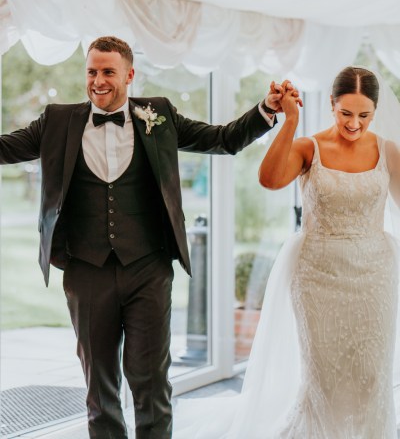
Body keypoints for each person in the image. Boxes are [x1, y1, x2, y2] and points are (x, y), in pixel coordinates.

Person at [0, 35, 297, 439]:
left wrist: (266, 110)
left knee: (151, 382)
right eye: (91, 71)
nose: (98, 81)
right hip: (86, 272)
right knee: (99, 388)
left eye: (108, 72)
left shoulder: (158, 115)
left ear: (129, 74)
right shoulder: (57, 120)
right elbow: (5, 148)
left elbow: (223, 140)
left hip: (148, 269)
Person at [173, 66, 400, 439]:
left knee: (372, 374)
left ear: (375, 112)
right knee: (324, 376)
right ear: (331, 105)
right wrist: (290, 121)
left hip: (375, 277)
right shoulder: (310, 147)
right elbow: (269, 178)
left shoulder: (385, 150)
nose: (355, 124)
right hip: (319, 276)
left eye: (364, 115)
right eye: (346, 113)